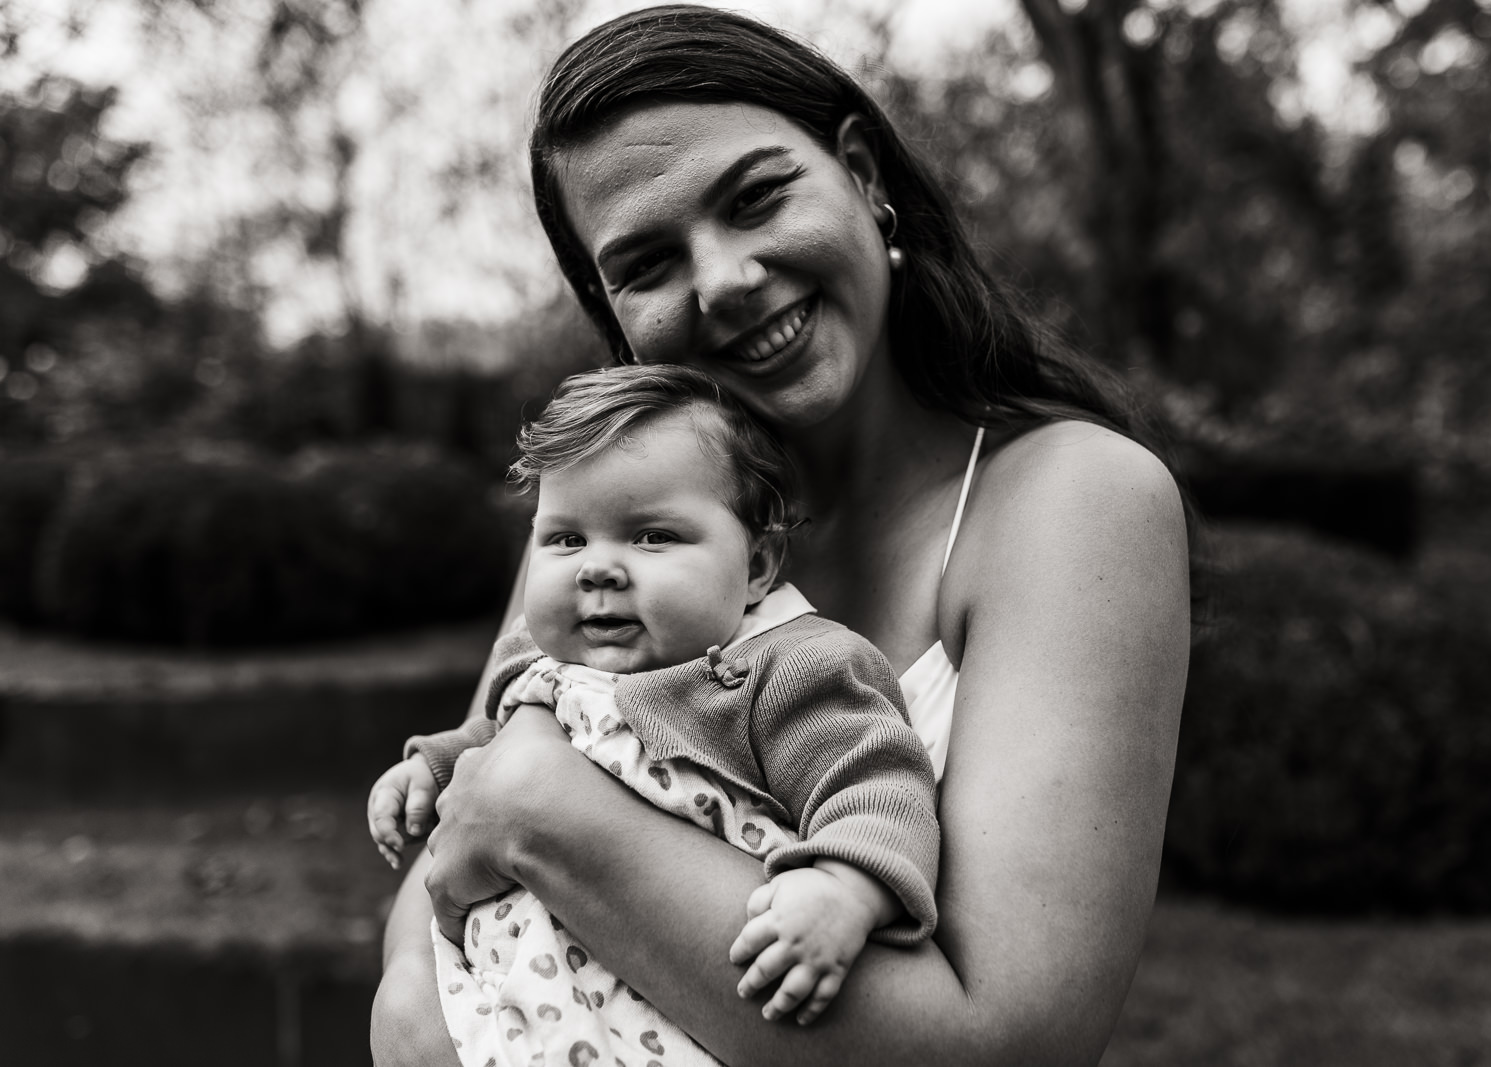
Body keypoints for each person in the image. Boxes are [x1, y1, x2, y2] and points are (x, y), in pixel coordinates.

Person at [373, 6, 1191, 1066]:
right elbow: (427, 918)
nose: (721, 280)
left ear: (862, 172)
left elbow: (1010, 1045)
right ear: (613, 311)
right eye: (647, 263)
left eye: (756, 198)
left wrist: (545, 815)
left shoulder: (1072, 499)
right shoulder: (618, 525)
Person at [367, 365, 940, 1065]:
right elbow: (495, 740)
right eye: (566, 539)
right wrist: (434, 764)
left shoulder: (787, 668)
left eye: (652, 537)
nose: (596, 569)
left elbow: (876, 786)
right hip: (521, 1014)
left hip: (671, 1023)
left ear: (758, 565)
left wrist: (844, 890)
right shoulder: (537, 659)